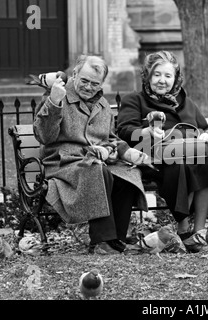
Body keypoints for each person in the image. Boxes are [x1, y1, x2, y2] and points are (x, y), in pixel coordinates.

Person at [116, 50, 208, 251]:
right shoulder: (135, 100)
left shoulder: (186, 102)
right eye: (157, 75)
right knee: (183, 167)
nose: (162, 81)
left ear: (175, 78)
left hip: (189, 155)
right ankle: (183, 228)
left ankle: (199, 232)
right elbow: (124, 130)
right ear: (147, 76)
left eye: (168, 76)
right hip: (154, 159)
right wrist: (147, 131)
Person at [33, 54, 149, 255]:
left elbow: (110, 138)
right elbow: (45, 137)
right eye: (84, 81)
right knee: (95, 169)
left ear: (102, 83)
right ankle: (101, 241)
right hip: (63, 163)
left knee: (128, 175)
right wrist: (54, 102)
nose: (88, 87)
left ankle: (116, 239)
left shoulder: (102, 104)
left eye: (94, 84)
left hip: (94, 161)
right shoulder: (56, 94)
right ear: (75, 74)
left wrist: (125, 152)